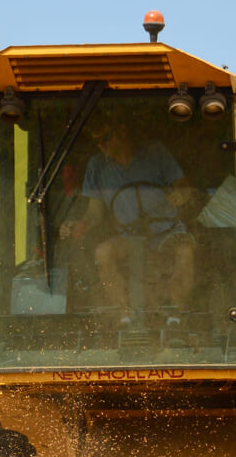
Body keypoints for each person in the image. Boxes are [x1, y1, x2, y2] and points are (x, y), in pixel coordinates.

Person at [77, 117, 199, 319]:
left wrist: (181, 194)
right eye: (96, 141)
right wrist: (79, 225)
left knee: (185, 251)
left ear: (122, 131)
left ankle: (176, 317)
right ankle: (125, 316)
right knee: (103, 252)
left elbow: (184, 187)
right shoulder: (97, 165)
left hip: (167, 232)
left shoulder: (155, 152)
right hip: (129, 236)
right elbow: (94, 213)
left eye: (105, 138)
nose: (101, 145)